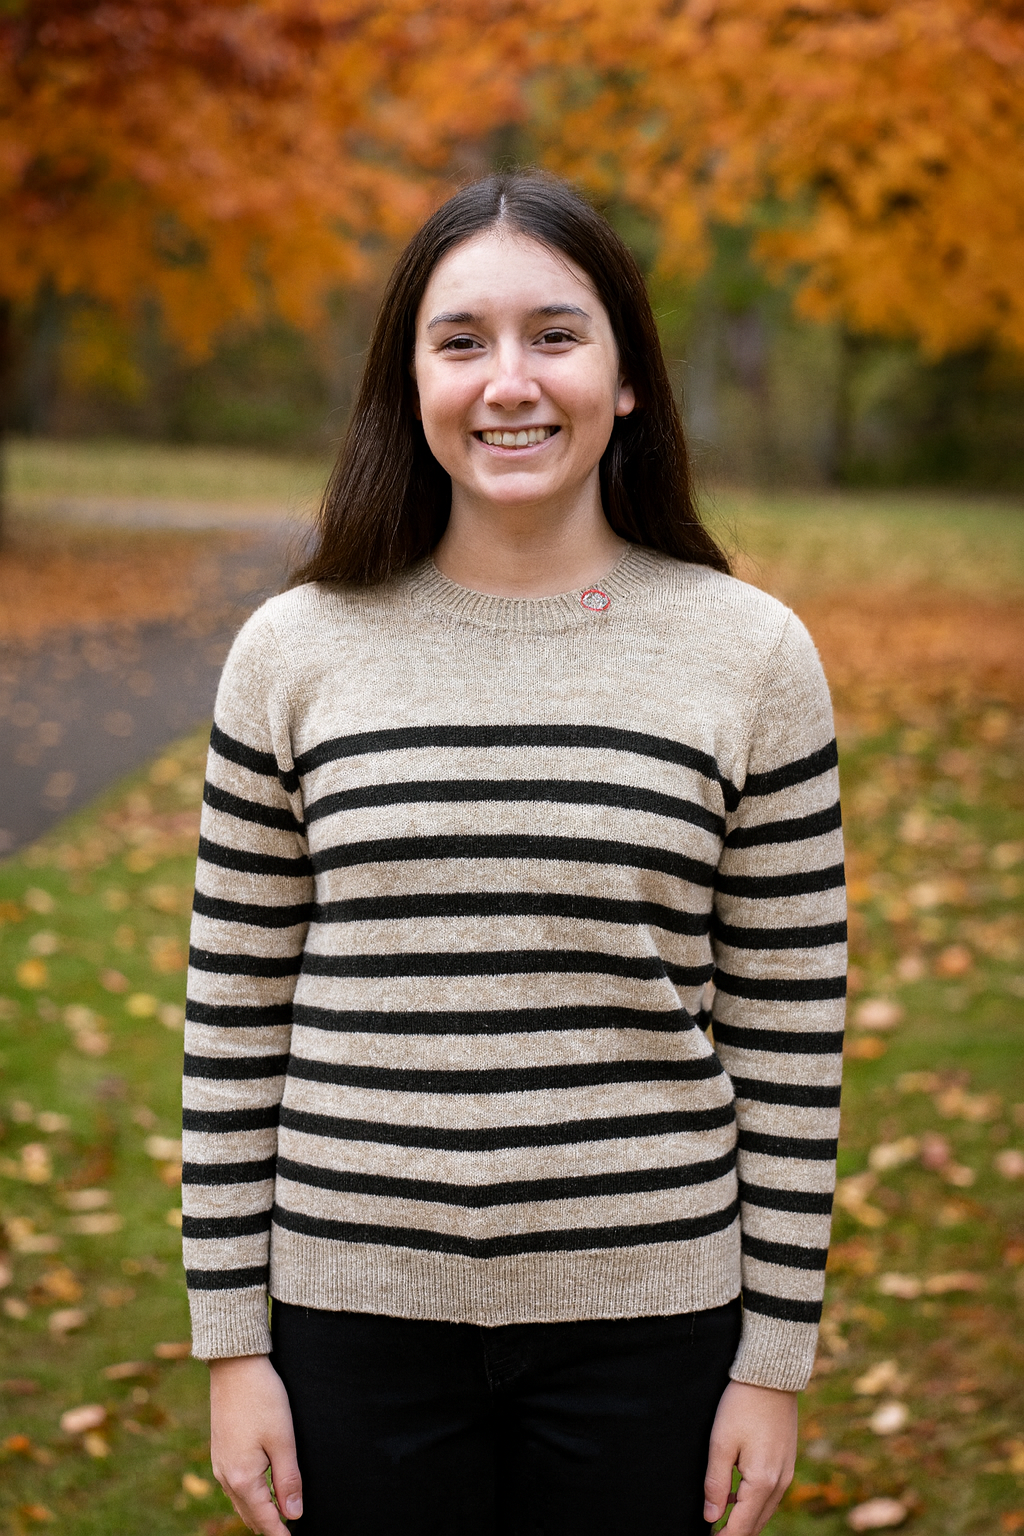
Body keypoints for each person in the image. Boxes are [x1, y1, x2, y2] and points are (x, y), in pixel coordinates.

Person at [181, 170, 846, 1536]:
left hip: (653, 1325)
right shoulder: (293, 652)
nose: (509, 384)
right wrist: (232, 1345)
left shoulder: (752, 654)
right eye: (461, 340)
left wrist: (772, 1361)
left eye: (555, 333)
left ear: (630, 378)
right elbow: (233, 1017)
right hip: (349, 1325)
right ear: (406, 379)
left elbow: (791, 1029)